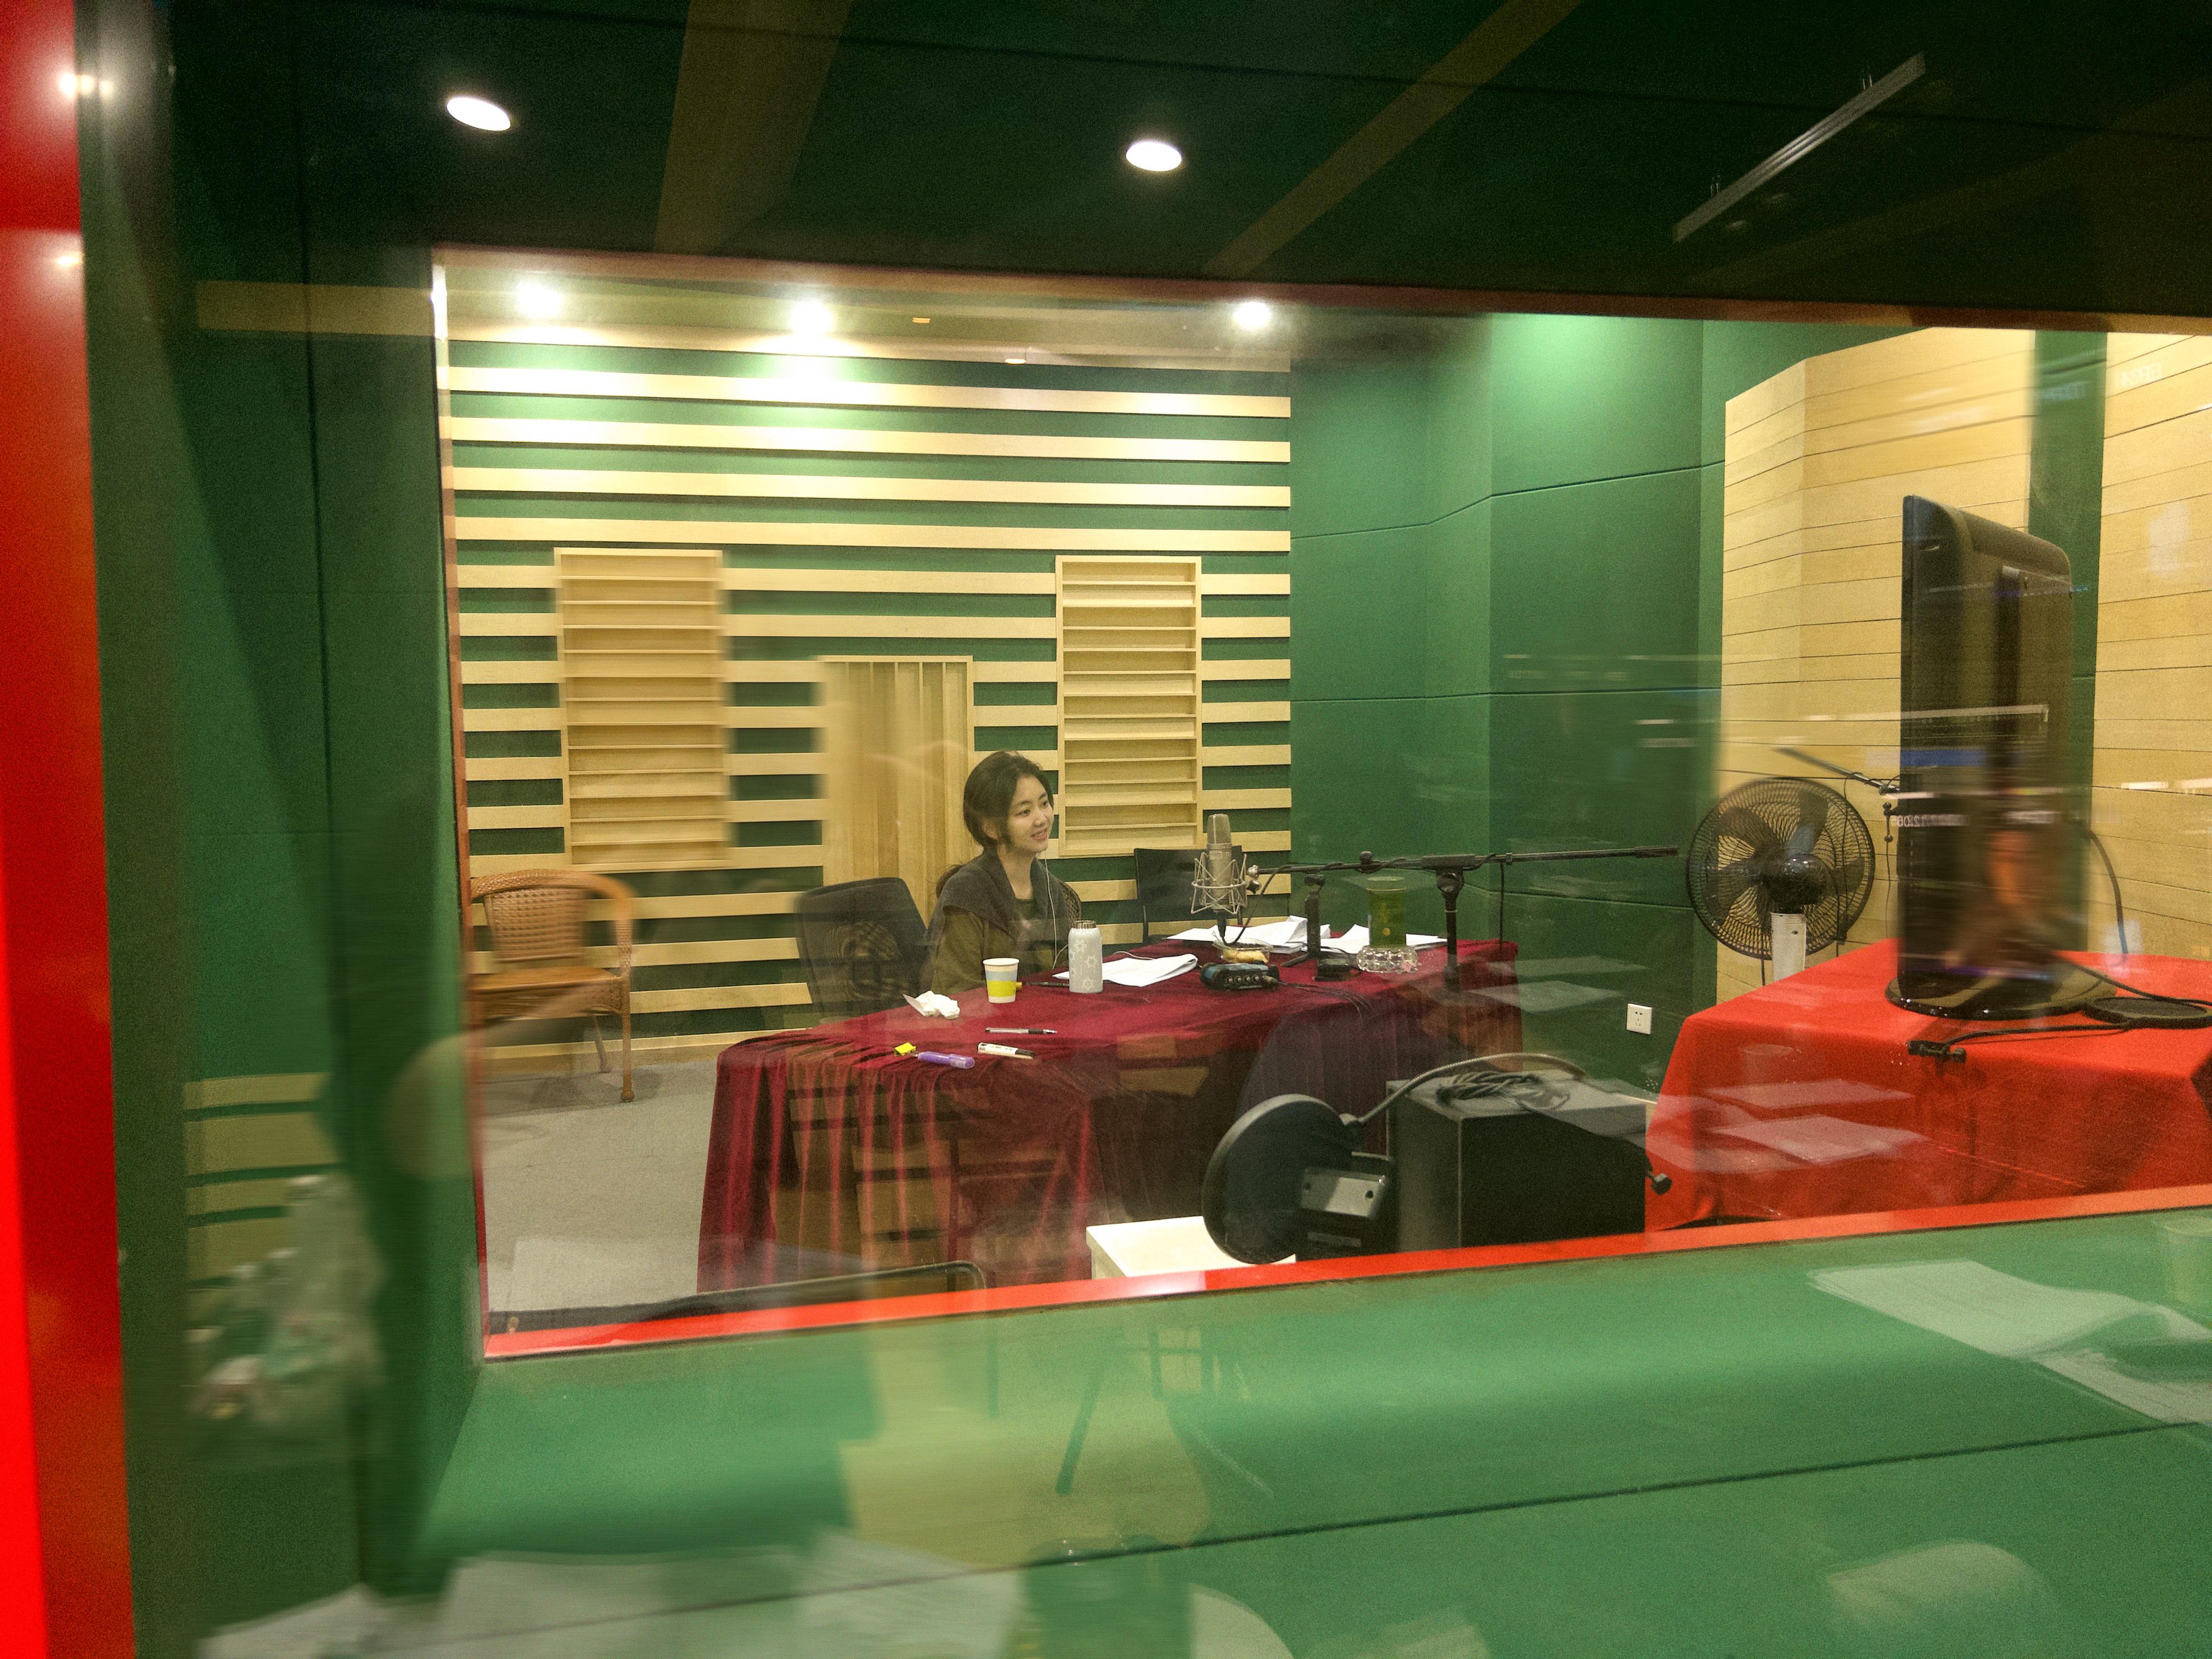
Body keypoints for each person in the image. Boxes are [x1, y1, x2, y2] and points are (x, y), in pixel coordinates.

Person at [924, 751, 1083, 995]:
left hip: (1043, 1014)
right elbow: (957, 990)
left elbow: (1063, 975)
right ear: (991, 828)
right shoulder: (966, 893)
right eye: (1025, 812)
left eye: (1044, 804)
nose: (1042, 819)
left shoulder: (1051, 889)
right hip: (983, 1017)